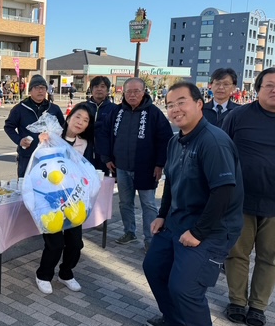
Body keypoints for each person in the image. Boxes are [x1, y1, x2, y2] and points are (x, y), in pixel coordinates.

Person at [143, 82, 243, 326]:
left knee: (185, 286)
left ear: (200, 104)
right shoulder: (175, 141)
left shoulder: (213, 141)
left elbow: (223, 192)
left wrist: (199, 232)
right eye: (170, 104)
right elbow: (171, 182)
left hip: (211, 228)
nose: (175, 109)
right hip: (177, 220)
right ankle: (174, 317)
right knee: (153, 267)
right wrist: (162, 214)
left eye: (181, 102)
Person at [222, 66, 275, 326]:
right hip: (240, 200)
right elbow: (222, 152)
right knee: (236, 253)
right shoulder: (238, 116)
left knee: (269, 257)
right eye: (269, 85)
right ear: (258, 89)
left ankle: (258, 306)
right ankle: (236, 301)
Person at [96, 77, 172, 251]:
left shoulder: (154, 113)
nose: (132, 95)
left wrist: (160, 164)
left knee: (148, 204)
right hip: (121, 167)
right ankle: (129, 232)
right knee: (125, 202)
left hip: (147, 168)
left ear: (144, 92)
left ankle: (151, 239)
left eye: (136, 91)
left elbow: (165, 139)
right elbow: (103, 133)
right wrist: (106, 158)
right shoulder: (117, 111)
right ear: (123, 92)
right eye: (128, 91)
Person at [34, 103, 95, 294]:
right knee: (55, 243)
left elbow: (85, 169)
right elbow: (38, 163)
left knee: (76, 243)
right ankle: (43, 275)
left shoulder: (84, 144)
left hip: (73, 199)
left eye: (85, 120)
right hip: (50, 200)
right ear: (68, 118)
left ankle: (66, 273)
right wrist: (41, 141)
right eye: (78, 117)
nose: (80, 122)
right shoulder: (51, 138)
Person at [4, 74, 64, 178]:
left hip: (49, 155)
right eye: (36, 88)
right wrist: (19, 140)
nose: (40, 91)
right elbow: (8, 127)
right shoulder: (20, 109)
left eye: (43, 88)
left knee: (49, 183)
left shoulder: (54, 108)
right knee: (25, 184)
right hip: (27, 156)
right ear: (30, 90)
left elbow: (63, 127)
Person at [84, 76, 116, 174]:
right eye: (96, 86)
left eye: (102, 86)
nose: (99, 89)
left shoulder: (114, 109)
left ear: (107, 90)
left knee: (104, 181)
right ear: (91, 89)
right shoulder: (83, 107)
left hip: (106, 157)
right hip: (85, 153)